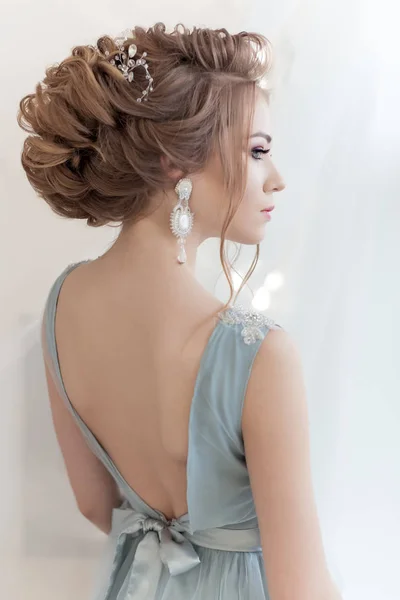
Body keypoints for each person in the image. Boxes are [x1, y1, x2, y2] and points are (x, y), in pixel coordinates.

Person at [17, 22, 341, 600]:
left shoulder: (60, 305)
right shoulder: (259, 353)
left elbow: (96, 505)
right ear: (175, 164)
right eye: (258, 151)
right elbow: (302, 589)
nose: (277, 179)